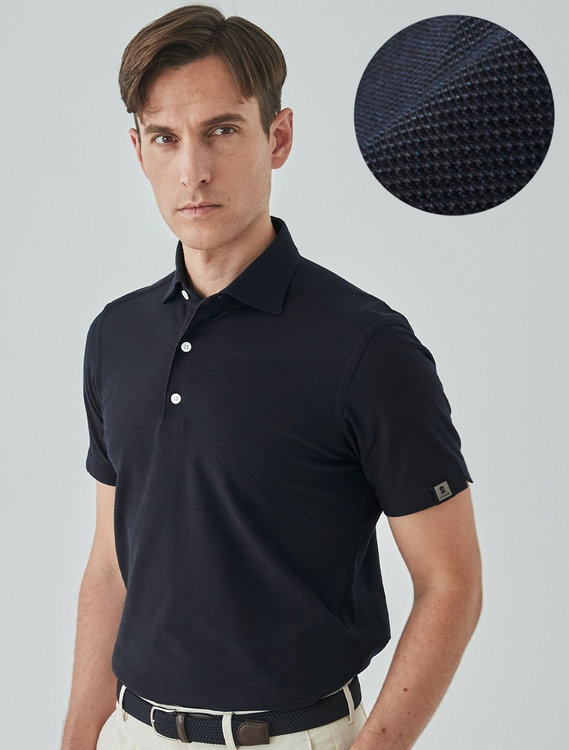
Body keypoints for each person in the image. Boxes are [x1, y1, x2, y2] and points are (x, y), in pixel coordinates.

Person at [61, 6, 482, 750]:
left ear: (277, 137)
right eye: (165, 138)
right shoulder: (116, 337)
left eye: (222, 130)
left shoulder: (365, 346)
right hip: (133, 733)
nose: (192, 170)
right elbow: (110, 567)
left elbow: (451, 583)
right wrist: (77, 736)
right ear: (138, 150)